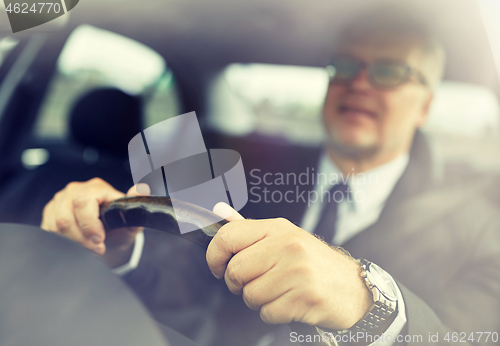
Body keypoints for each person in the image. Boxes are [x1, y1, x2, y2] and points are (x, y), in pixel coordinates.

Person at [40, 8, 500, 346]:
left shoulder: (481, 225)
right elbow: (187, 278)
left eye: (388, 71)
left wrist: (368, 305)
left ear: (425, 105)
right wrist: (122, 247)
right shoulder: (248, 166)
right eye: (344, 67)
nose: (358, 83)